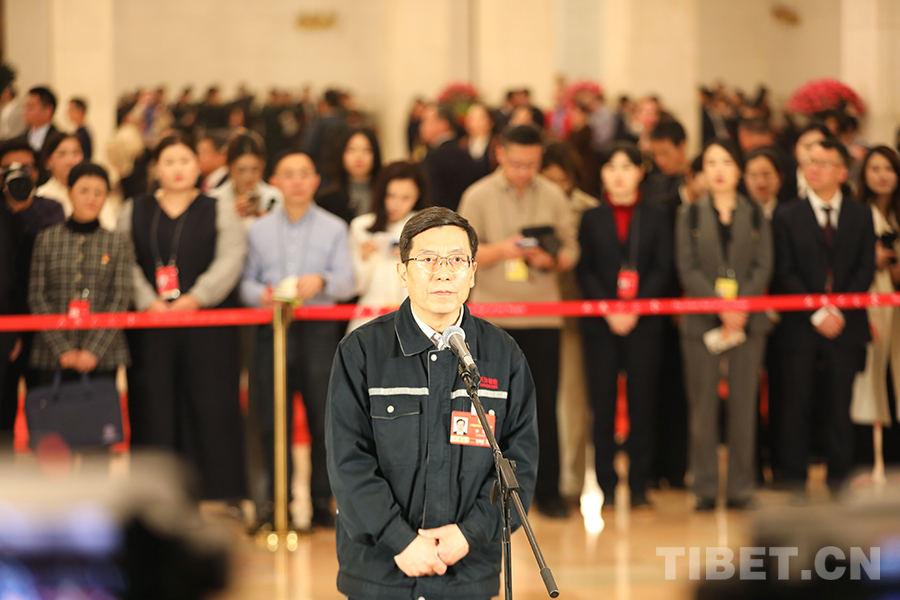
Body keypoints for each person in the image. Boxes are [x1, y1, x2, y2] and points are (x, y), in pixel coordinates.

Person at [325, 206, 538, 600]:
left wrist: (470, 533)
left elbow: (520, 461)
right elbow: (347, 462)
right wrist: (399, 540)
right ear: (402, 272)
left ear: (472, 272)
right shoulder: (362, 352)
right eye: (427, 260)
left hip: (468, 571)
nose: (443, 272)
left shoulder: (503, 355)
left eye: (457, 259)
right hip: (380, 572)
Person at [117, 132, 247, 501]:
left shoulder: (219, 208)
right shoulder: (134, 209)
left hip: (207, 326)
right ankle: (153, 499)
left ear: (198, 166)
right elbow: (124, 259)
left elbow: (231, 258)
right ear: (156, 168)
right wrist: (148, 301)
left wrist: (196, 297)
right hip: (152, 326)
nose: (177, 169)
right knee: (153, 408)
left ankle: (219, 495)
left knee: (210, 406)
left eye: (185, 161)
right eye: (169, 161)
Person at [458, 125, 579, 518]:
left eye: (531, 164)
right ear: (500, 154)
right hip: (493, 316)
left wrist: (553, 259)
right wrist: (504, 249)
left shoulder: (554, 195)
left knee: (544, 404)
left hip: (543, 314)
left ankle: (548, 490)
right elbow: (463, 252)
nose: (524, 171)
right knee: (489, 408)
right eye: (516, 164)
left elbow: (571, 248)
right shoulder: (477, 195)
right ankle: (487, 492)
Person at [240, 150, 355, 529]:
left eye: (304, 173)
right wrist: (261, 295)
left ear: (316, 181)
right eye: (288, 174)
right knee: (271, 418)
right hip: (272, 328)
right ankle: (276, 503)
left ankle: (322, 501)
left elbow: (349, 282)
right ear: (275, 181)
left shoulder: (335, 228)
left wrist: (321, 280)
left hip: (319, 329)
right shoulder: (257, 229)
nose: (297, 181)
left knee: (324, 417)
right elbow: (244, 282)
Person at [676, 139, 773, 510]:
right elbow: (687, 267)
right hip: (702, 322)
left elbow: (763, 265)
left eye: (727, 162)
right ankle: (703, 487)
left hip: (747, 320)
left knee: (744, 404)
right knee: (702, 407)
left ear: (739, 170)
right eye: (711, 163)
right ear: (702, 172)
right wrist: (721, 307)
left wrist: (738, 305)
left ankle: (740, 488)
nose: (718, 170)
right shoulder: (689, 214)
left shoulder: (756, 213)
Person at [773, 139, 875, 495]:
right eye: (809, 161)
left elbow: (865, 268)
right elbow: (784, 271)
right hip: (801, 326)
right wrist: (817, 312)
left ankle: (839, 479)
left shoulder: (861, 215)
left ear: (842, 172)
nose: (814, 169)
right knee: (797, 404)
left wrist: (838, 309)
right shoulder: (787, 214)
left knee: (839, 405)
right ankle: (795, 479)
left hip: (846, 325)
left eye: (823, 163)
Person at [577, 141, 674, 508]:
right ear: (602, 174)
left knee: (642, 405)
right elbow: (585, 270)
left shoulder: (657, 214)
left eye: (626, 167)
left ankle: (639, 485)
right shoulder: (591, 217)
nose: (618, 175)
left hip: (643, 323)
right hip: (600, 325)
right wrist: (609, 309)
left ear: (640, 172)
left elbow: (663, 266)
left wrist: (634, 307)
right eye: (611, 167)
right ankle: (604, 486)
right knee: (601, 408)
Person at [28, 163, 131, 385]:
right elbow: (37, 296)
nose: (91, 198)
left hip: (103, 355)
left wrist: (93, 350)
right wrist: (62, 349)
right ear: (69, 192)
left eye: (99, 192)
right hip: (50, 354)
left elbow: (120, 298)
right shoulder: (47, 239)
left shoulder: (118, 242)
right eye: (84, 190)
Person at [540, 142, 598, 501]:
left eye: (563, 180)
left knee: (572, 403)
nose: (556, 187)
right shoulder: (531, 203)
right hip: (534, 311)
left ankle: (571, 481)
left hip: (574, 315)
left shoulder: (588, 209)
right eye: (549, 179)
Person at [0, 140, 65, 435]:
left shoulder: (50, 209)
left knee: (47, 417)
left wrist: (23, 210)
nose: (18, 174)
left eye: (26, 167)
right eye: (8, 168)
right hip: (4, 323)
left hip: (44, 326)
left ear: (38, 171)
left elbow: (53, 252)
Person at [348, 160, 430, 332]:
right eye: (390, 196)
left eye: (405, 198)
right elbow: (356, 287)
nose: (396, 204)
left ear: (418, 195)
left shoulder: (427, 228)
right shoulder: (361, 227)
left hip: (414, 316)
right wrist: (365, 258)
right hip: (370, 315)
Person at [851, 147, 900, 428]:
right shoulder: (856, 213)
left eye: (889, 169)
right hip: (871, 301)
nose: (883, 176)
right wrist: (872, 259)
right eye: (875, 169)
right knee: (872, 374)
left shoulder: (896, 214)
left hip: (896, 302)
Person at [209, 130, 282, 228]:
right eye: (241, 170)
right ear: (229, 167)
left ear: (263, 165)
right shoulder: (214, 200)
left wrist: (259, 215)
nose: (248, 177)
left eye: (255, 169)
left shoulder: (276, 197)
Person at [419, 104, 479, 212]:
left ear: (443, 124)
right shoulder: (465, 152)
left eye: (425, 121)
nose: (421, 127)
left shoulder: (435, 156)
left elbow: (435, 200)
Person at [316, 127, 382, 224]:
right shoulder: (326, 200)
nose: (359, 156)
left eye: (366, 150)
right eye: (352, 150)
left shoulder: (386, 195)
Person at [35, 132, 84, 217]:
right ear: (48, 161)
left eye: (76, 153)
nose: (70, 161)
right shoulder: (42, 196)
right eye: (62, 154)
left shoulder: (94, 192)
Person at [645, 119, 688, 208]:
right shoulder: (654, 184)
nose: (659, 160)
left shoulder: (694, 181)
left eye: (665, 153)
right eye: (654, 154)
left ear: (682, 145)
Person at [744, 147, 784, 219]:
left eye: (766, 174)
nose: (760, 182)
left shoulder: (791, 213)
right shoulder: (739, 215)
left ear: (779, 177)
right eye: (753, 175)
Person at [463, 102, 497, 179]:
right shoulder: (462, 144)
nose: (471, 122)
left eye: (478, 118)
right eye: (470, 118)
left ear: (490, 121)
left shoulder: (496, 144)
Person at [196, 130, 230, 194]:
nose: (198, 157)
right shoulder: (199, 182)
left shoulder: (230, 183)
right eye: (198, 153)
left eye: (203, 152)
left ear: (221, 155)